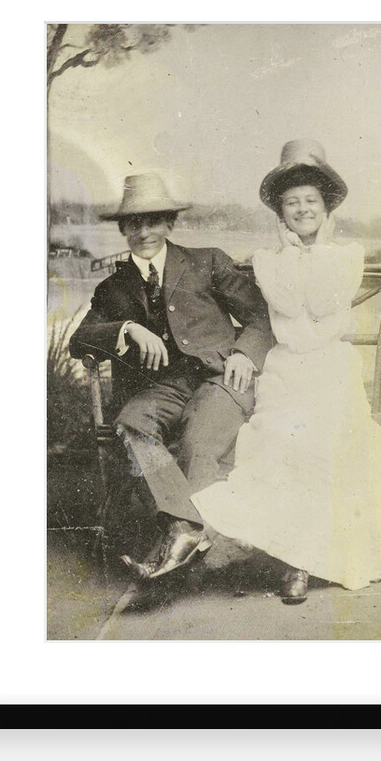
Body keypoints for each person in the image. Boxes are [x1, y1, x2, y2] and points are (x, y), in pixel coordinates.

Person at [191, 141, 381, 604]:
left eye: (311, 200)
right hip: (286, 368)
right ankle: (286, 554)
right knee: (279, 439)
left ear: (326, 208)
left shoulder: (346, 255)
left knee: (322, 442)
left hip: (332, 368)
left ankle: (300, 564)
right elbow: (287, 307)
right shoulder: (269, 259)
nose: (303, 209)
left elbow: (322, 304)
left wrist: (317, 251)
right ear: (280, 214)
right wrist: (290, 253)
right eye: (291, 203)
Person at [69, 173, 272, 578]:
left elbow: (262, 316)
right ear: (123, 229)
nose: (144, 232)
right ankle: (184, 528)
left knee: (198, 442)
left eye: (153, 221)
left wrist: (244, 353)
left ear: (169, 223)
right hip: (163, 387)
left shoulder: (207, 262)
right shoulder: (114, 287)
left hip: (220, 379)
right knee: (132, 423)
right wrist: (127, 328)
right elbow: (79, 341)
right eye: (134, 223)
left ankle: (180, 548)